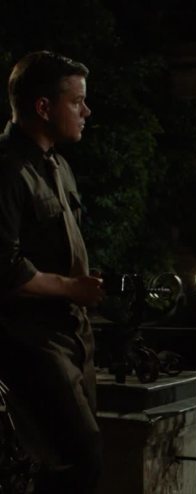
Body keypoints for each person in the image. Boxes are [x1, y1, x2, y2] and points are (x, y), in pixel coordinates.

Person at [0, 51, 104, 493]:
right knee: (80, 460)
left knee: (69, 467)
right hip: (32, 342)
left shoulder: (59, 167)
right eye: (76, 101)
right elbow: (4, 269)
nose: (86, 111)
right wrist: (71, 288)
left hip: (74, 338)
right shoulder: (6, 168)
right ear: (43, 107)